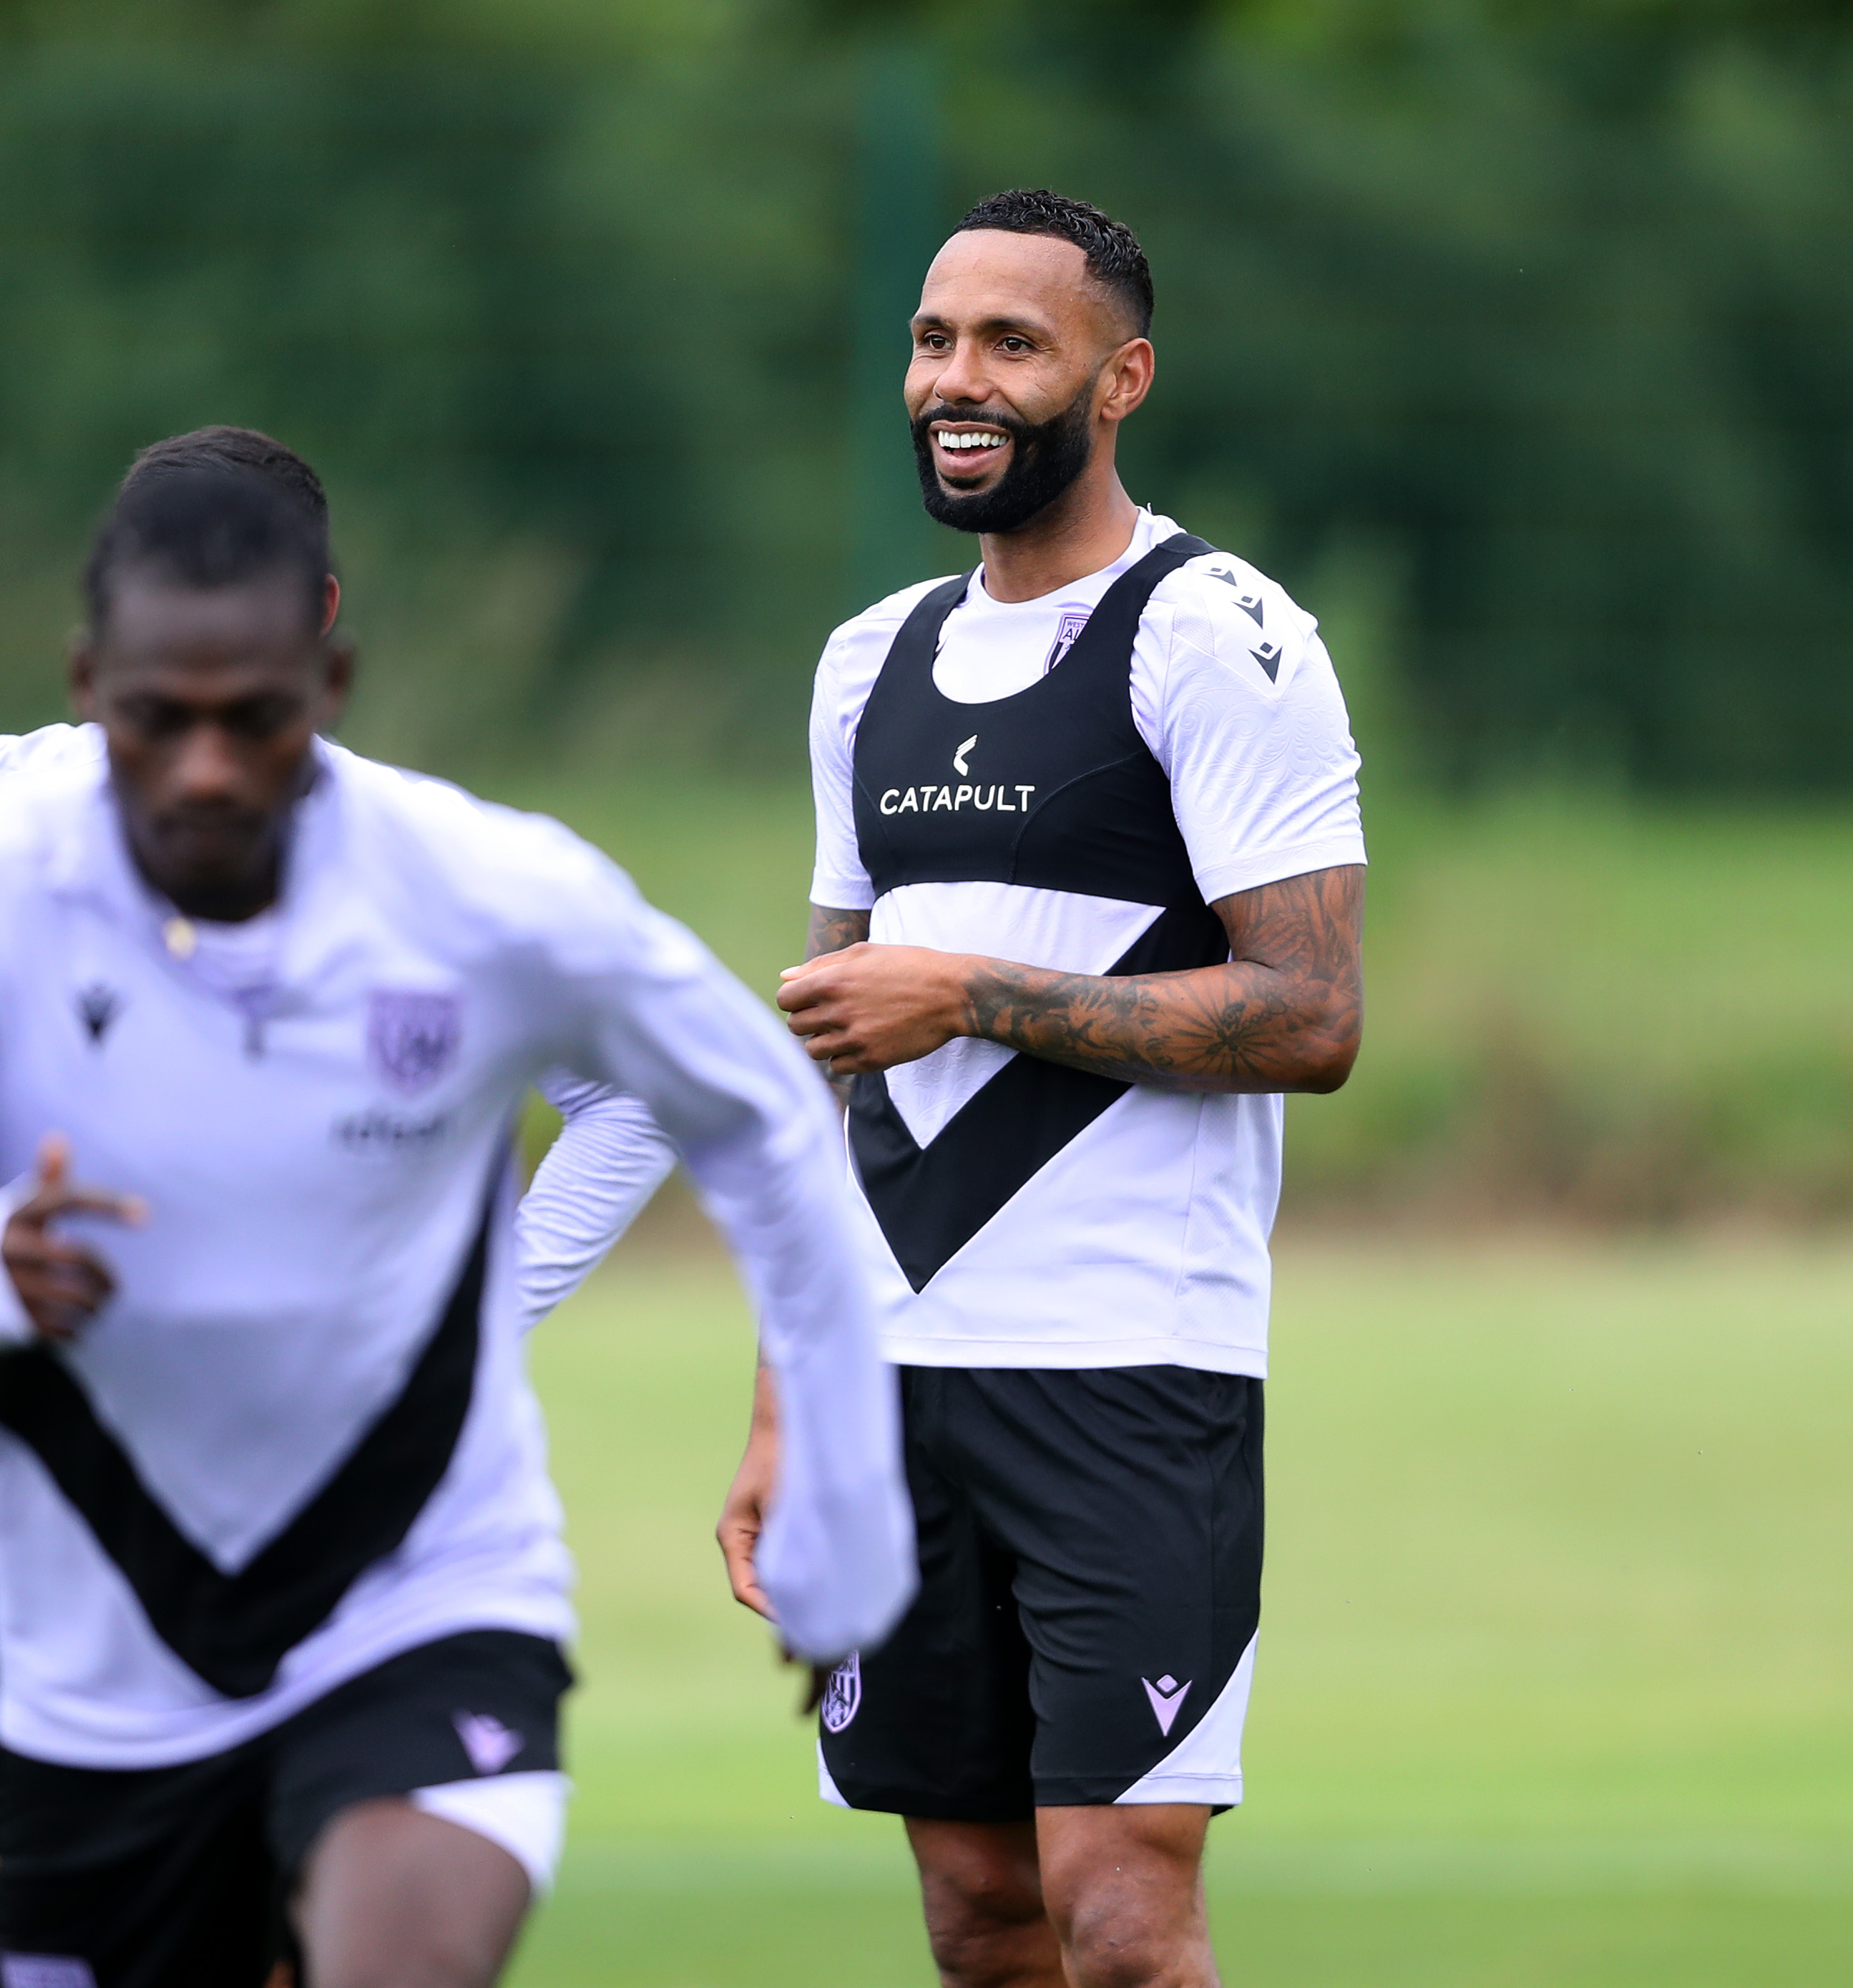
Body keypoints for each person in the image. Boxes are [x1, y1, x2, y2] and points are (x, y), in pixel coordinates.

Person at [0, 432, 914, 1988]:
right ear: (86, 677)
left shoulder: (477, 892)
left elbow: (762, 1117)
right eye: (158, 721)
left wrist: (844, 1489)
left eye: (257, 719)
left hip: (414, 1585)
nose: (209, 771)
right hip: (93, 1625)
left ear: (334, 670)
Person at [520, 188, 1368, 1987]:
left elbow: (1313, 1014)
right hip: (891, 1385)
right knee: (978, 1919)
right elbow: (826, 1067)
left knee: (1122, 1919)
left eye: (1011, 343)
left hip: (1133, 1369)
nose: (954, 381)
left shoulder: (1211, 634)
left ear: (1120, 377)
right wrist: (785, 1398)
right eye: (931, 340)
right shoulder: (867, 665)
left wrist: (973, 991)